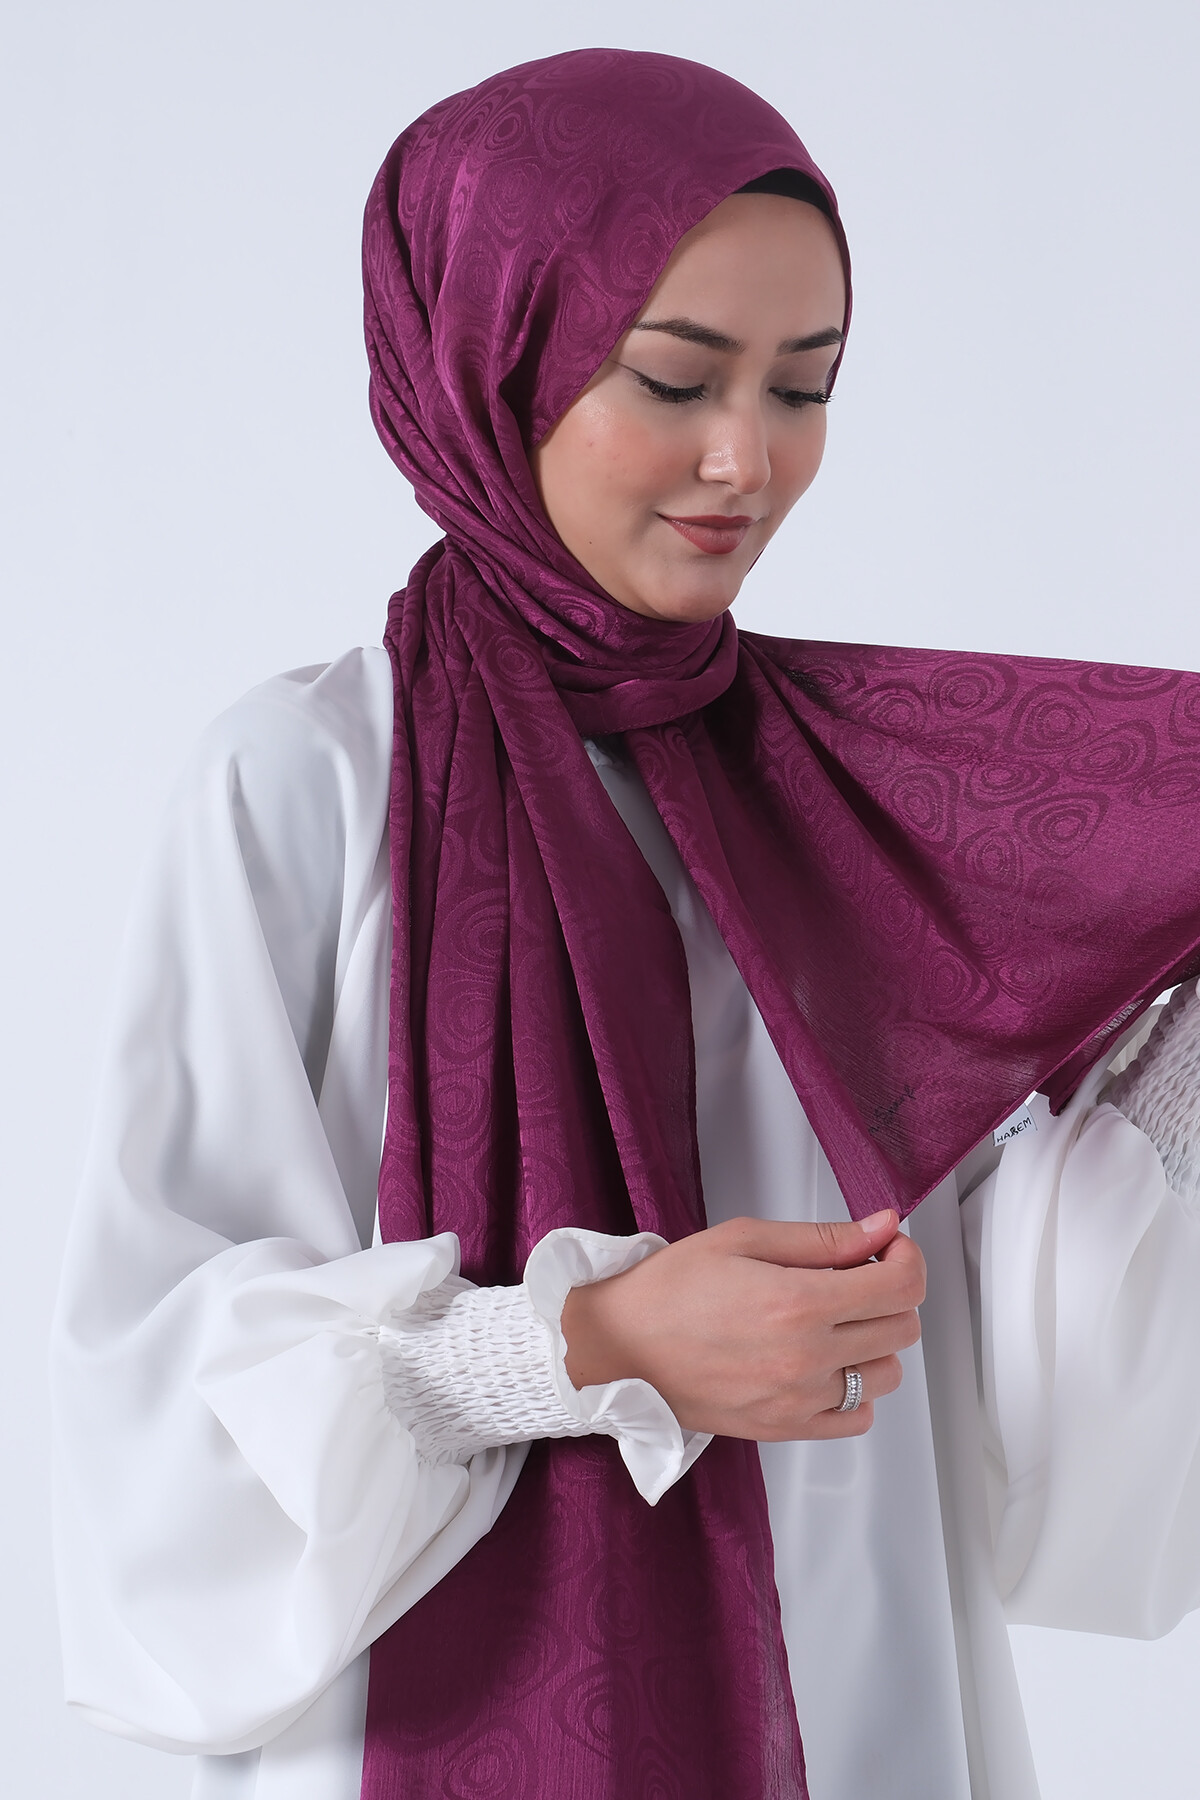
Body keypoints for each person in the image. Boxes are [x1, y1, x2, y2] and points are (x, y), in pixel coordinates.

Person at [50, 47, 1200, 1800]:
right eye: (674, 377)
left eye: (804, 387)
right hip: (429, 1703)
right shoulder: (307, 781)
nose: (748, 459)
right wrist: (592, 1345)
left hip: (854, 1660)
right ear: (489, 361)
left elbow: (1001, 1353)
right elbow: (165, 1396)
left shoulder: (844, 794)